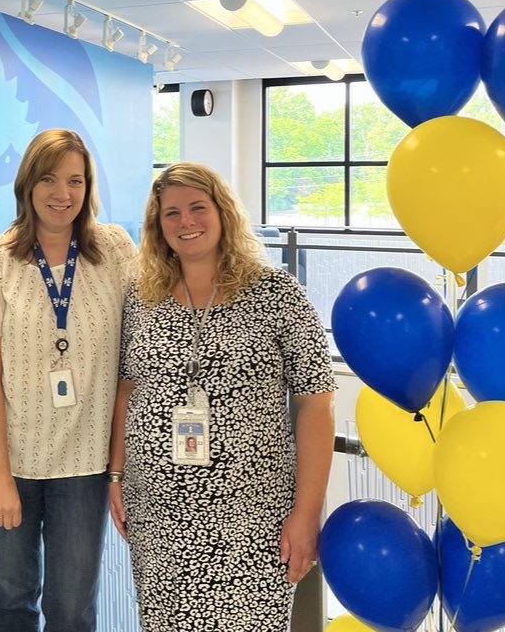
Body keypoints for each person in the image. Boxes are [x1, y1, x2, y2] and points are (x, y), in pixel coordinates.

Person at [108, 162, 336, 631]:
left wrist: (306, 514)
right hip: (159, 513)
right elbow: (128, 388)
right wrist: (115, 476)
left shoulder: (277, 293)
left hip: (251, 515)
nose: (185, 222)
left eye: (197, 208)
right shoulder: (141, 297)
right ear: (157, 226)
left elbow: (317, 403)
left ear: (223, 212)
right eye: (171, 214)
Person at [0, 129, 136, 632]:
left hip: (85, 462)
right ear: (27, 185)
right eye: (49, 178)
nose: (62, 193)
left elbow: (135, 359)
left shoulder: (114, 251)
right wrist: (0, 476)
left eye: (75, 180)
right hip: (9, 459)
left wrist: (117, 470)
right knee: (14, 595)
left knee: (72, 606)